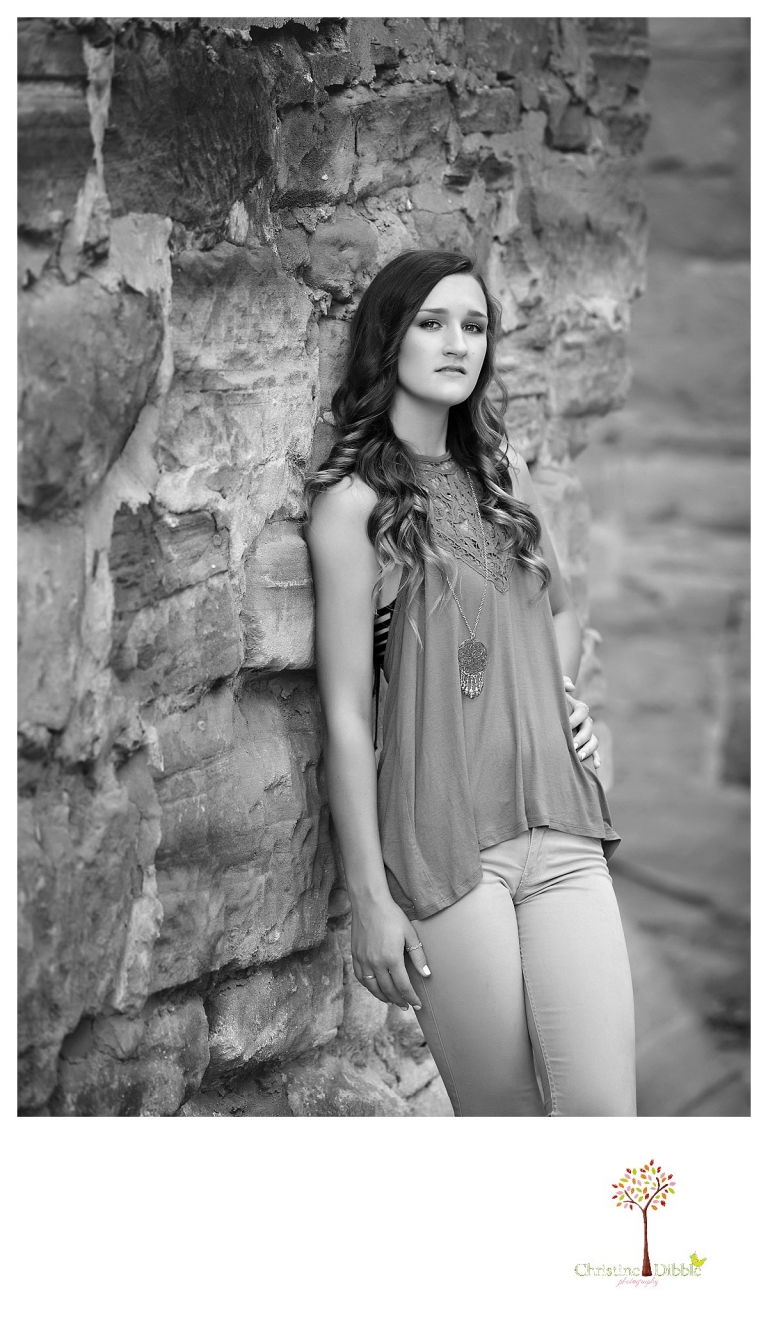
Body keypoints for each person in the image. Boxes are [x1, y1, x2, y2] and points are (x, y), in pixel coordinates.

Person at [303, 249, 637, 1116]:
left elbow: (561, 613)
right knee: (509, 1125)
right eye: (434, 323)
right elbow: (345, 715)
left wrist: (560, 703)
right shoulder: (352, 506)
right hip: (450, 850)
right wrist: (370, 901)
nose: (460, 343)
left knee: (608, 1115)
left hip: (563, 829)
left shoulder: (503, 474)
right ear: (390, 338)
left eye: (476, 326)